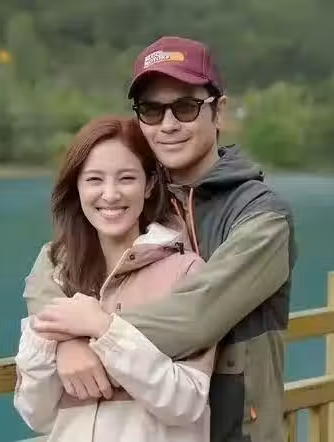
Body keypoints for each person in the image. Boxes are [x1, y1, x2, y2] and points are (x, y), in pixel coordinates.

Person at [27, 36, 297, 442]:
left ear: (219, 110)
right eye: (152, 110)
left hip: (236, 429)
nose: (168, 125)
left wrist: (91, 330)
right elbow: (48, 272)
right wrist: (63, 342)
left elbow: (195, 316)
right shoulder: (136, 198)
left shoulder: (262, 216)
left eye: (185, 107)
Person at [14, 115, 216, 442]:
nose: (110, 195)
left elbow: (186, 403)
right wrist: (63, 344)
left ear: (149, 185)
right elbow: (35, 414)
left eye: (126, 178)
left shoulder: (186, 271)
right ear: (77, 187)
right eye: (94, 179)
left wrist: (104, 329)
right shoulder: (58, 274)